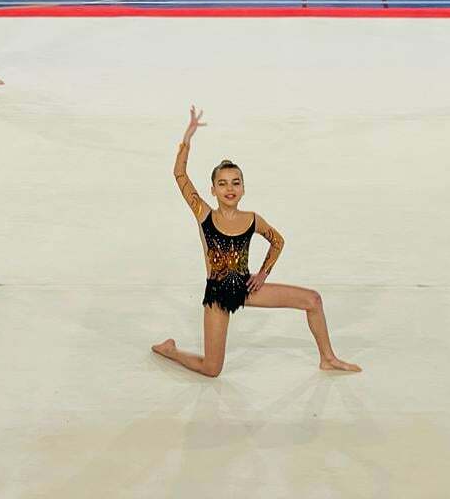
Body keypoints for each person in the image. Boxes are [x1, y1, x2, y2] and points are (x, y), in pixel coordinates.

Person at [151, 106, 362, 377]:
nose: (229, 188)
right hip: (217, 295)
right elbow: (180, 175)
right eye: (223, 183)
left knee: (313, 299)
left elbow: (277, 241)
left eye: (235, 182)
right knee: (211, 369)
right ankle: (171, 351)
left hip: (245, 288)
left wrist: (263, 274)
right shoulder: (204, 214)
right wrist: (187, 138)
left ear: (243, 188)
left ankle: (328, 358)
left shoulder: (252, 219)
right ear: (213, 190)